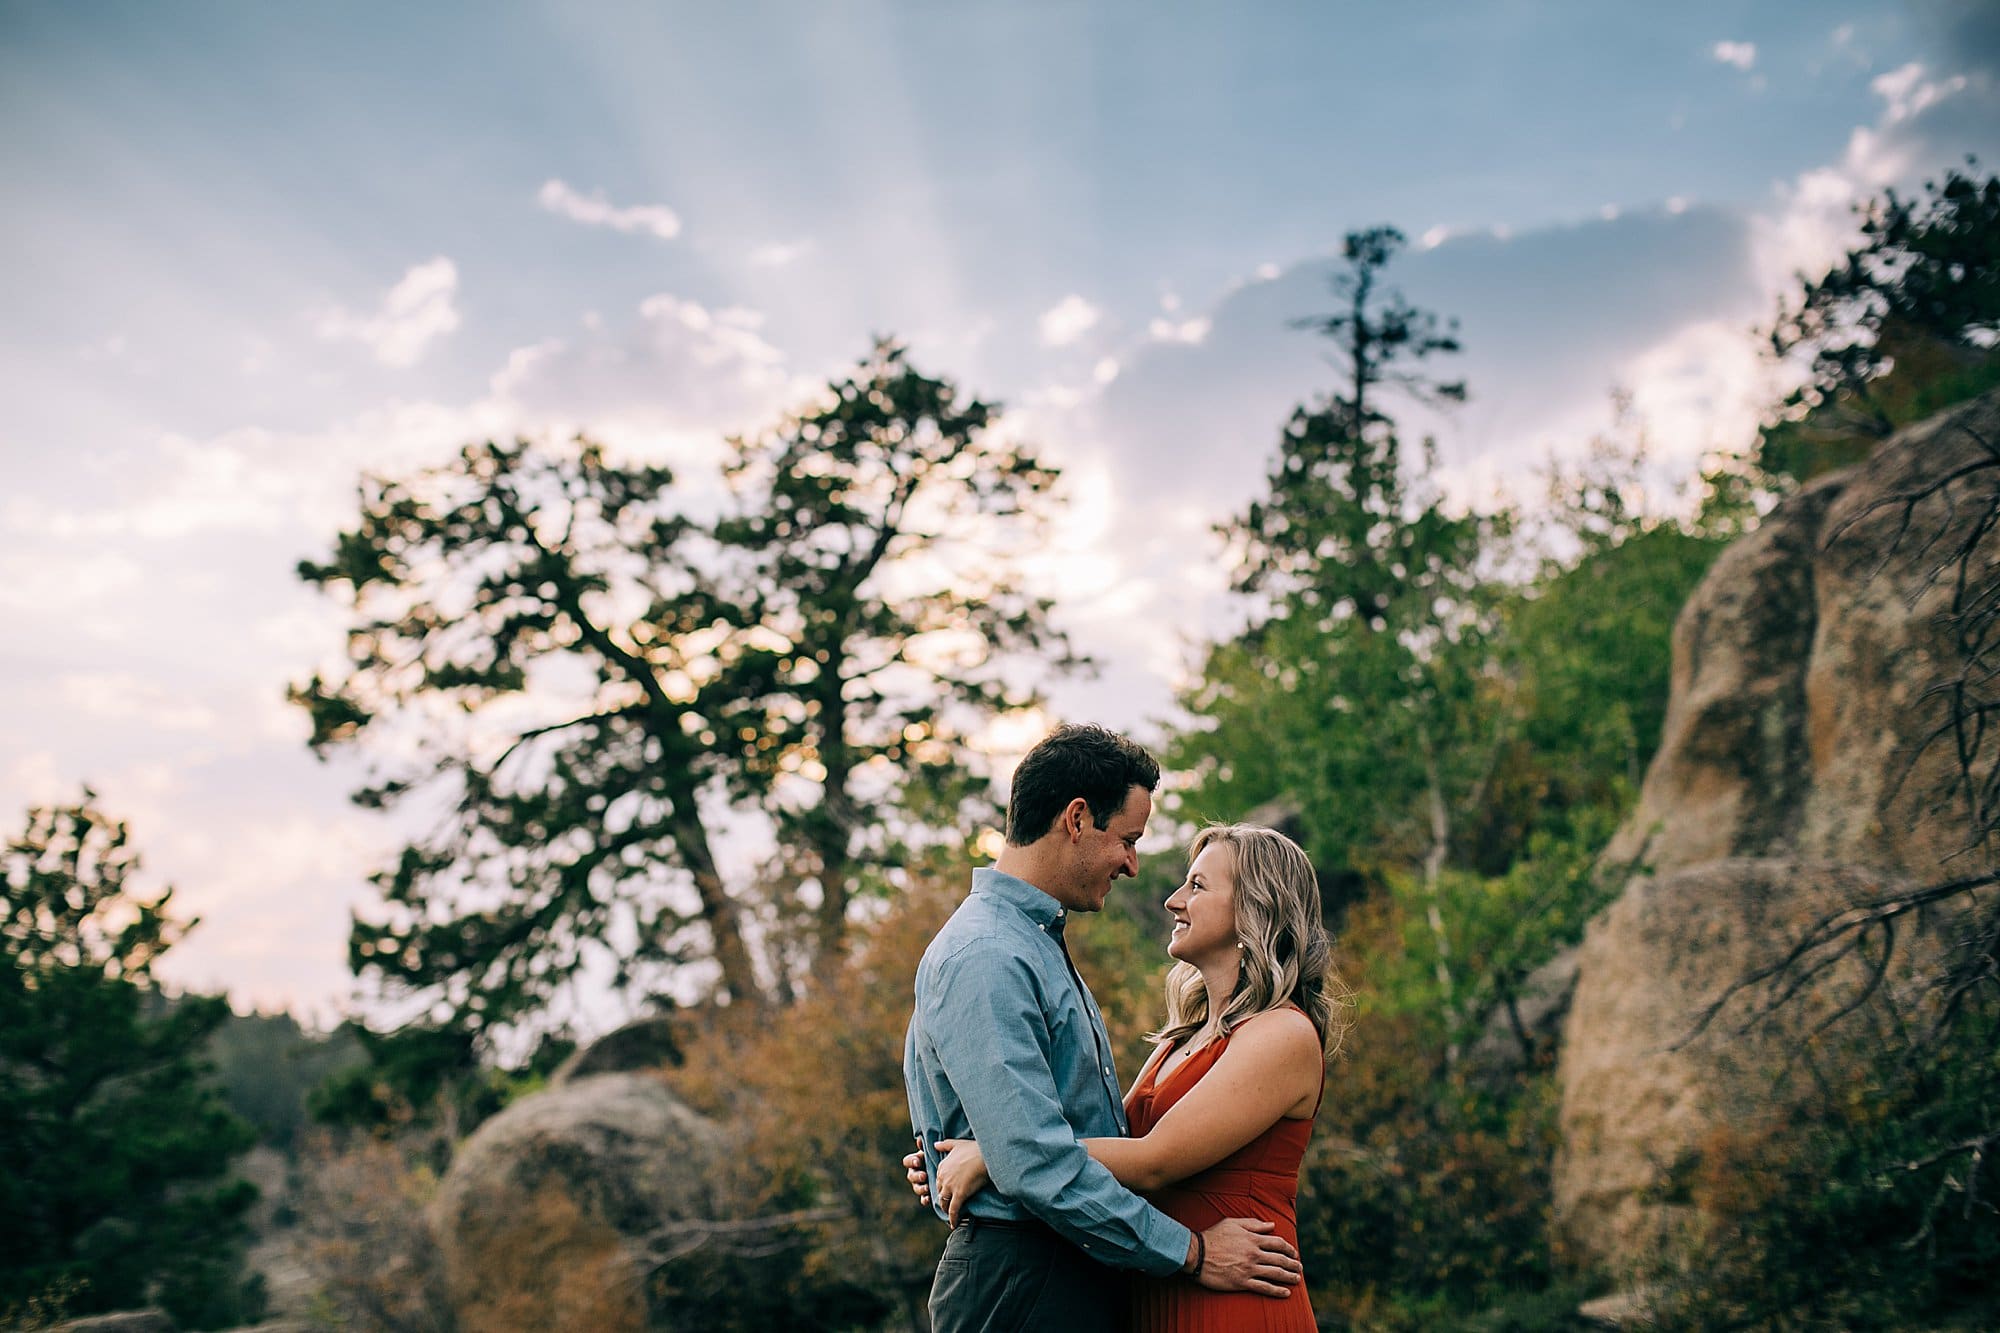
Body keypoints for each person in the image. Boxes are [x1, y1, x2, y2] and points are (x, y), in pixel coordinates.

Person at [904, 724, 1305, 1332]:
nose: (1134, 866)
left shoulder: (1031, 945)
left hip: (1082, 1265)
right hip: (1027, 1273)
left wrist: (992, 1151)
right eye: (1127, 840)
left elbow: (1060, 1141)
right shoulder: (989, 954)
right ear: (1077, 818)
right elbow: (1035, 1162)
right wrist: (1191, 1253)